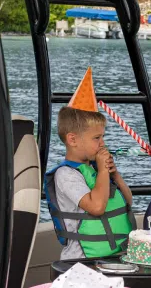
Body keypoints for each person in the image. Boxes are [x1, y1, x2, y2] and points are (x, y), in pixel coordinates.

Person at [45, 69, 136, 259]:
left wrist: (114, 175)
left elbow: (127, 200)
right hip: (82, 260)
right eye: (96, 138)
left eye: (102, 137)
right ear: (73, 139)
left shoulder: (95, 169)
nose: (102, 143)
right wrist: (103, 171)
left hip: (114, 256)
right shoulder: (66, 175)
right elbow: (96, 208)